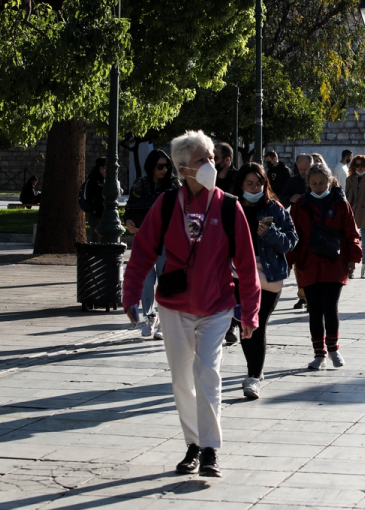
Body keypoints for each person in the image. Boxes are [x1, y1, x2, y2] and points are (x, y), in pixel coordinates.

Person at [123, 130, 260, 478]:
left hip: (216, 307)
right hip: (174, 306)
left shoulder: (229, 206)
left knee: (208, 374)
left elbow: (246, 263)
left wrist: (250, 312)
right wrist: (130, 295)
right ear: (184, 168)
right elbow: (141, 252)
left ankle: (211, 448)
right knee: (182, 379)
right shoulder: (167, 204)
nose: (211, 164)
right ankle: (193, 445)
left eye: (212, 157)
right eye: (202, 160)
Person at [286, 163, 362, 370]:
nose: (318, 187)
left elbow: (351, 232)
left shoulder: (341, 203)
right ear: (307, 184)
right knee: (314, 309)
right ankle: (319, 353)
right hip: (307, 262)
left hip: (334, 262)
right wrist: (288, 261)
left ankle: (333, 349)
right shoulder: (300, 204)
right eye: (313, 183)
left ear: (330, 181)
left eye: (321, 182)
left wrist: (353, 258)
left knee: (330, 307)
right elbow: (292, 236)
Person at [232, 163, 298, 400]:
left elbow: (291, 240)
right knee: (244, 323)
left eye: (258, 183)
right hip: (236, 273)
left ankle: (253, 377)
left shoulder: (275, 208)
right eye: (249, 183)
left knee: (257, 322)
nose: (254, 187)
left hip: (267, 274)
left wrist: (270, 234)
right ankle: (254, 372)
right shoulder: (232, 207)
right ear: (241, 185)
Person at [125, 150, 182, 339]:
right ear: (151, 166)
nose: (164, 169)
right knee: (147, 281)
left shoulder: (173, 184)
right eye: (160, 166)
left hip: (167, 240)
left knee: (165, 280)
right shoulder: (140, 184)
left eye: (167, 165)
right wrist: (128, 221)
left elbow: (183, 207)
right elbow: (130, 207)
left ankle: (164, 319)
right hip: (145, 238)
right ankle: (150, 316)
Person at [280, 153, 314, 310]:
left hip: (315, 226)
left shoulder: (317, 179)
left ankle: (313, 295)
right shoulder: (293, 181)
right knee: (299, 262)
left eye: (306, 169)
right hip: (297, 224)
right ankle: (303, 296)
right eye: (301, 169)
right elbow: (282, 197)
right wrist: (290, 198)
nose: (304, 172)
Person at [85, 157, 107, 242]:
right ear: (101, 168)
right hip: (97, 213)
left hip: (101, 213)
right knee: (96, 240)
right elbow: (101, 193)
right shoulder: (94, 180)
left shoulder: (102, 179)